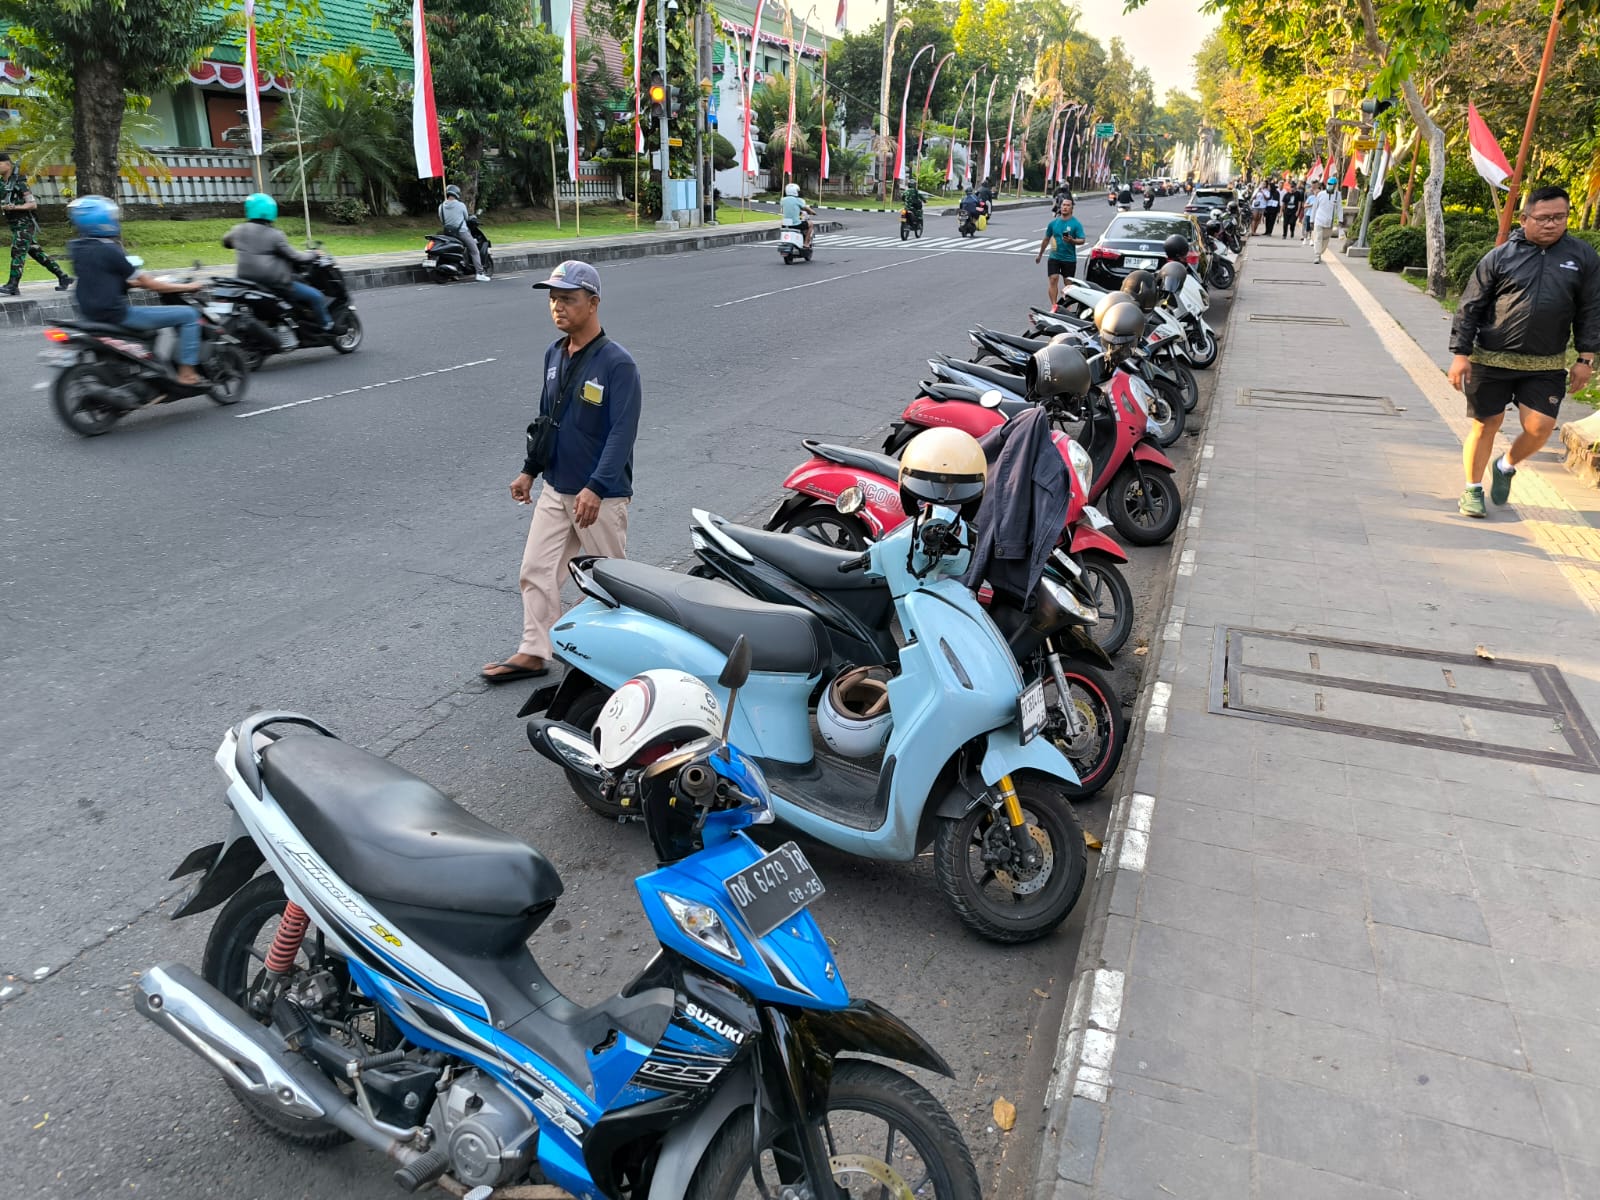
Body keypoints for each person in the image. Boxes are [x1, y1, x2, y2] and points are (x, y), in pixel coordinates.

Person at [483, 260, 641, 682]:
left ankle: (619, 661)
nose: (558, 307)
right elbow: (546, 418)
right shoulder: (555, 353)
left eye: (568, 299)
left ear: (593, 304)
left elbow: (621, 434)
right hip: (557, 489)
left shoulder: (617, 364)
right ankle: (535, 651)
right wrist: (529, 470)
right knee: (535, 570)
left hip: (600, 496)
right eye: (553, 299)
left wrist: (596, 486)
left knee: (609, 582)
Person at [1448, 185, 1600, 518]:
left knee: (1540, 428)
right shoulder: (1501, 256)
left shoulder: (1582, 257)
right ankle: (1472, 490)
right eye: (1544, 218)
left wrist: (1586, 358)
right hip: (1491, 357)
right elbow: (1470, 306)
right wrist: (1460, 353)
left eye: (1560, 217)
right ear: (1524, 218)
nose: (1552, 224)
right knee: (1486, 424)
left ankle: (1506, 464)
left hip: (1546, 363)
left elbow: (1591, 309)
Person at [65, 195, 206, 387]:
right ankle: (187, 374)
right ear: (102, 220)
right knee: (188, 315)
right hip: (116, 314)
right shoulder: (110, 250)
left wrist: (133, 283)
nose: (115, 220)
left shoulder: (77, 247)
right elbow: (152, 285)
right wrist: (189, 286)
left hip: (89, 314)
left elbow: (103, 277)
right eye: (112, 216)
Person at [222, 193, 332, 331]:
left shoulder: (237, 230)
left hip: (247, 283)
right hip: (275, 284)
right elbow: (296, 257)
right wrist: (314, 254)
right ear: (271, 210)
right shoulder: (274, 234)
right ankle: (327, 325)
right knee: (316, 296)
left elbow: (225, 242)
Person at [0, 153, 71, 296]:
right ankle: (63, 277)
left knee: (18, 251)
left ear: (8, 165)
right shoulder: (3, 184)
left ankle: (13, 284)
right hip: (14, 223)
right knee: (36, 252)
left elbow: (32, 204)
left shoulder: (19, 183)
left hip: (25, 223)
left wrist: (15, 207)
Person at [1035, 196, 1085, 306]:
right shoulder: (1053, 223)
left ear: (1072, 209)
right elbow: (1046, 239)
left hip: (1069, 259)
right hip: (1054, 257)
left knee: (1068, 285)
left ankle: (1067, 306)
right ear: (1060, 207)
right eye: (1063, 205)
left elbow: (1082, 240)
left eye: (1068, 205)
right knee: (1053, 279)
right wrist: (1040, 254)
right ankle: (1054, 305)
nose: (1065, 207)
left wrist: (1072, 240)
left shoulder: (1076, 224)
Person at [439, 184, 490, 282]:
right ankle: (479, 273)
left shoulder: (441, 206)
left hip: (447, 233)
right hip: (461, 232)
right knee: (474, 250)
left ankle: (454, 272)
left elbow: (442, 220)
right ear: (457, 194)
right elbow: (466, 218)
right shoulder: (461, 205)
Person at [1306, 179, 1340, 262]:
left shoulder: (1337, 195)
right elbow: (1314, 208)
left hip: (1329, 222)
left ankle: (1320, 253)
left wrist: (1340, 220)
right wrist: (1311, 220)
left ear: (1335, 185)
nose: (1330, 185)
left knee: (1325, 239)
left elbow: (1339, 208)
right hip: (1319, 220)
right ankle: (1317, 255)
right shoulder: (1320, 194)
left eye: (1332, 184)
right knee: (1318, 238)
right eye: (1328, 183)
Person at [780, 182, 816, 249]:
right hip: (796, 224)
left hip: (785, 224)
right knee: (810, 224)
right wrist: (813, 212)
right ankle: (806, 243)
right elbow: (805, 208)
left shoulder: (783, 200)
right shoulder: (798, 200)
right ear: (795, 191)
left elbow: (790, 208)